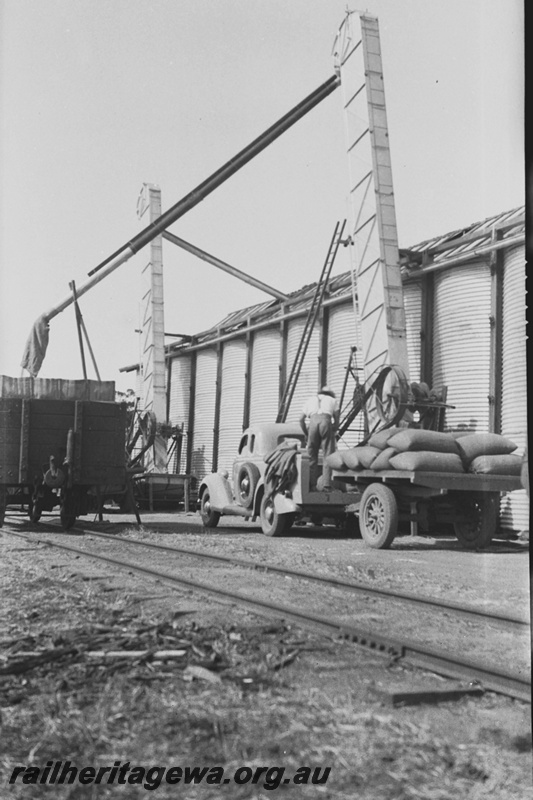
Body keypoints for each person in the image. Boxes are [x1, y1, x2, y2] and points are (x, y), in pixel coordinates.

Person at [299, 386, 340, 491]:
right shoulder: (333, 400)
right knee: (327, 454)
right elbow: (336, 419)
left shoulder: (310, 400)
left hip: (312, 423)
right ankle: (326, 485)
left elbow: (301, 419)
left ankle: (312, 485)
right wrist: (333, 428)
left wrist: (306, 433)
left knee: (312, 456)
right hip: (326, 422)